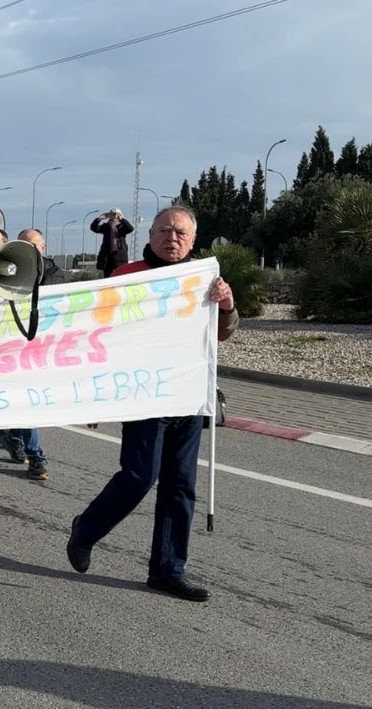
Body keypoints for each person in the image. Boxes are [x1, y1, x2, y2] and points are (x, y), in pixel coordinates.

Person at [67, 205, 239, 602]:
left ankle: (167, 569)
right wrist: (97, 397)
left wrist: (226, 304)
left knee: (181, 485)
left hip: (188, 396)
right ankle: (86, 529)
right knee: (138, 476)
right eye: (164, 230)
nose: (172, 237)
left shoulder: (205, 278)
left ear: (193, 240)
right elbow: (101, 338)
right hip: (142, 395)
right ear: (150, 236)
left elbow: (223, 334)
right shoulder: (126, 277)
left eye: (180, 232)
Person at [0, 228, 65, 481]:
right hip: (14, 345)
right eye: (25, 245)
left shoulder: (55, 274)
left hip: (41, 347)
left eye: (35, 245)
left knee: (26, 400)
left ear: (44, 247)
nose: (31, 250)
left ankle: (12, 436)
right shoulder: (6, 270)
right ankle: (36, 455)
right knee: (27, 401)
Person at [90, 208, 135, 277]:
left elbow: (130, 228)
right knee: (108, 278)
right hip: (107, 257)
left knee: (120, 277)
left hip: (120, 257)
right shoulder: (106, 226)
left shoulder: (122, 226)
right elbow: (93, 228)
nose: (113, 216)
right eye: (111, 214)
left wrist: (121, 219)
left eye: (115, 214)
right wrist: (100, 218)